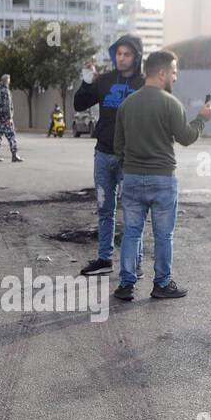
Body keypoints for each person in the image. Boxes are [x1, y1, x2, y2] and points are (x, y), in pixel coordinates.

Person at [111, 50, 211, 302]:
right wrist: (202, 118)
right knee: (163, 235)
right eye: (174, 72)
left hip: (132, 179)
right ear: (162, 73)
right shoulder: (171, 103)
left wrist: (131, 166)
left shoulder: (127, 105)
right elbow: (186, 137)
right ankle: (162, 284)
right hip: (162, 180)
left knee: (132, 232)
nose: (175, 78)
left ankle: (126, 285)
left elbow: (117, 146)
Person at [73, 35, 146, 276]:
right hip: (103, 154)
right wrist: (85, 82)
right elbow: (79, 104)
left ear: (136, 57)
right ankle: (105, 259)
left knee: (133, 211)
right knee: (105, 208)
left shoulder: (145, 83)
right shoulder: (104, 81)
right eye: (118, 53)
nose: (121, 58)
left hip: (131, 157)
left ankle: (135, 262)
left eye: (127, 54)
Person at [0, 74, 22, 163]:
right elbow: (7, 105)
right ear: (6, 81)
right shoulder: (5, 91)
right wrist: (9, 118)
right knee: (12, 136)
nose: (10, 81)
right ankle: (14, 155)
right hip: (5, 119)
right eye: (9, 79)